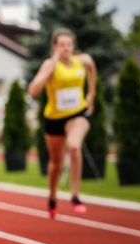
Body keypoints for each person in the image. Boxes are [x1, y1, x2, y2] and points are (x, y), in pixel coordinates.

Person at [28, 28, 96, 218]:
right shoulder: (50, 65)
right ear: (55, 47)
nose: (66, 48)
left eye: (69, 44)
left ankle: (75, 195)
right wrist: (48, 69)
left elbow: (91, 70)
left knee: (74, 147)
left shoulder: (82, 60)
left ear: (73, 45)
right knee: (56, 163)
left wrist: (92, 94)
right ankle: (52, 195)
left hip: (78, 113)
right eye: (61, 45)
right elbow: (33, 91)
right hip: (55, 118)